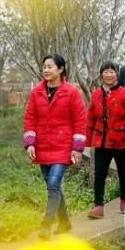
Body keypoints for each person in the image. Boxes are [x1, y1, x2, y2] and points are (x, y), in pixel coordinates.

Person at [23, 54, 86, 239]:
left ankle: (46, 225)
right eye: (44, 67)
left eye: (50, 66)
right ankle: (65, 222)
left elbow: (80, 121)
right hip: (42, 146)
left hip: (63, 146)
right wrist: (30, 143)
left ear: (60, 69)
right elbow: (30, 118)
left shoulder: (72, 92)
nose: (46, 70)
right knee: (54, 187)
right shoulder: (37, 92)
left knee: (53, 184)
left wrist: (77, 148)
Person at [85, 61, 125, 218]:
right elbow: (90, 119)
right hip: (101, 141)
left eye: (112, 71)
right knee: (99, 173)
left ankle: (124, 200)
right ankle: (98, 206)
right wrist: (87, 142)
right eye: (106, 71)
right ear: (101, 75)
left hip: (121, 141)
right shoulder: (96, 95)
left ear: (117, 74)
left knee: (123, 172)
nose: (109, 74)